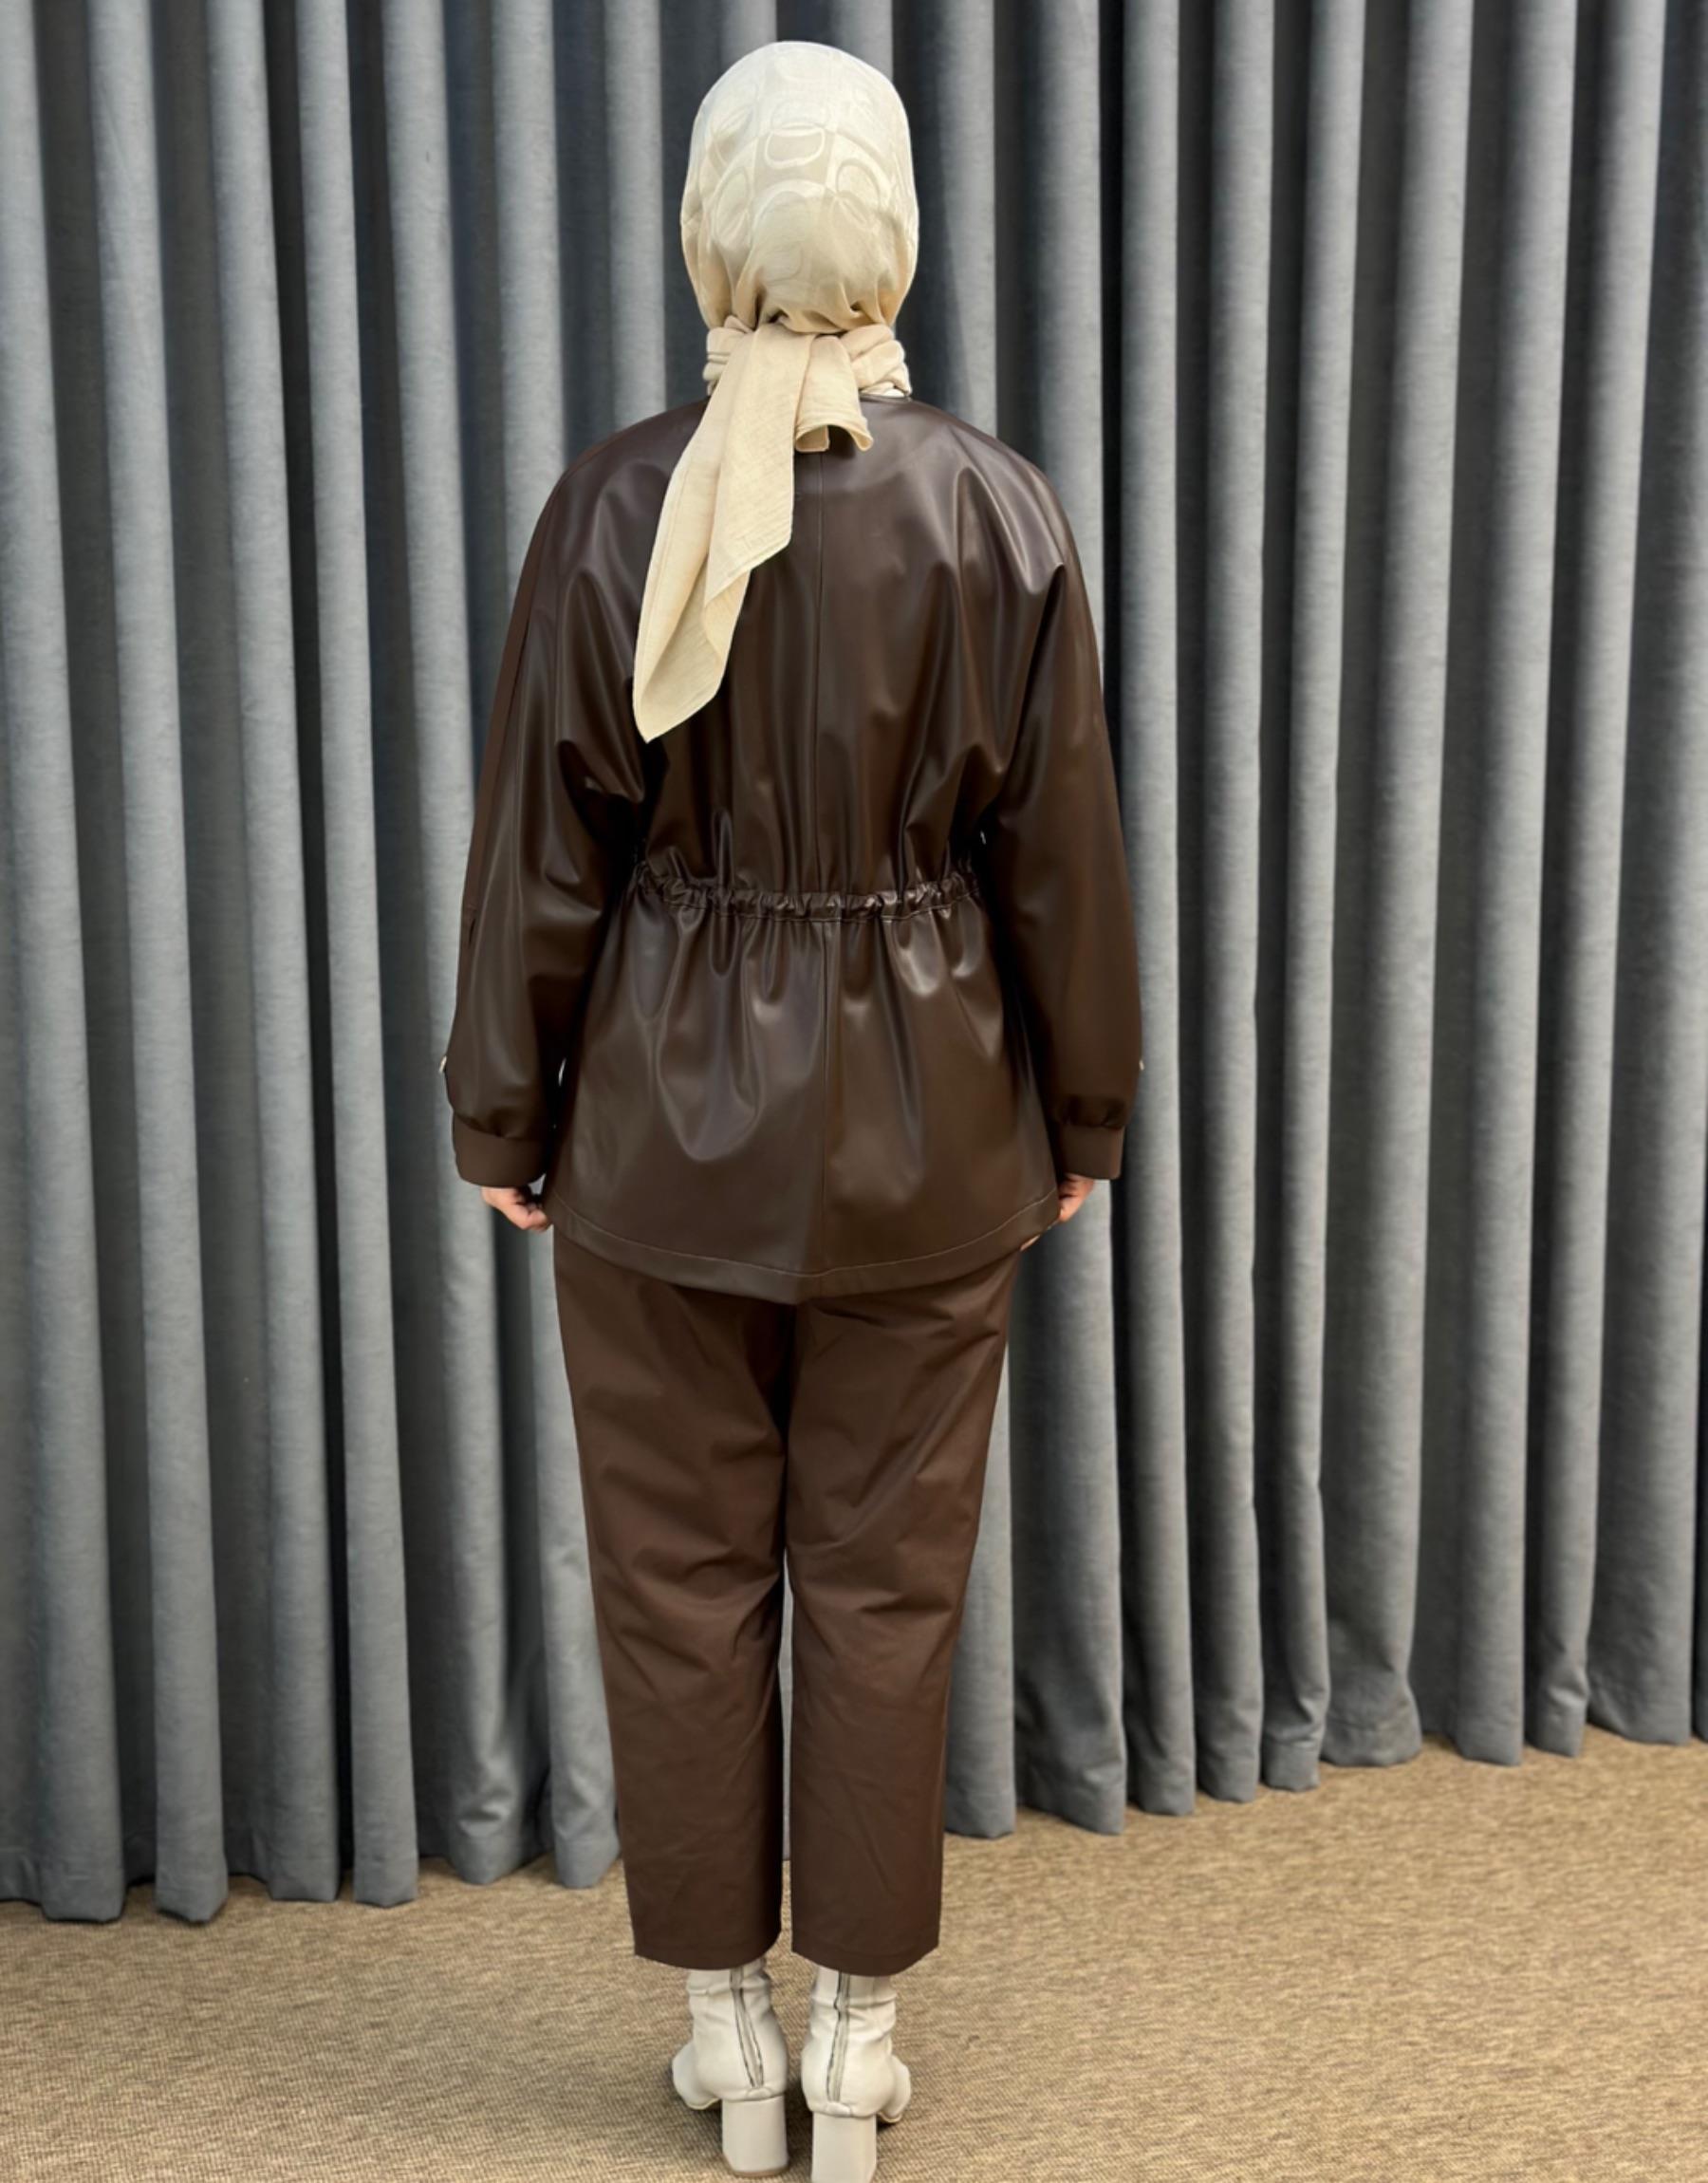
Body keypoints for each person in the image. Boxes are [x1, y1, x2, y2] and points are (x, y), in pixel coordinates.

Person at [440, 37, 1142, 2183]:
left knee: (678, 1582)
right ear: (892, 225)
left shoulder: (614, 503)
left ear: (710, 226)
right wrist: (1085, 1113)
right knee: (884, 1586)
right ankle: (855, 2044)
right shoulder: (997, 505)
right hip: (936, 1144)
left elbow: (544, 849)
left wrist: (505, 1118)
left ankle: (725, 2034)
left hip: (660, 1145)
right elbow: (1062, 861)